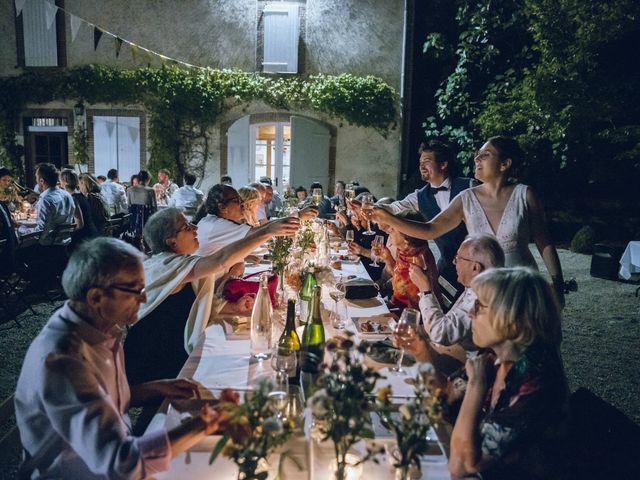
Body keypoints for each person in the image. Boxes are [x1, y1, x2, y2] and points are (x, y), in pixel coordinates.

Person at [15, 237, 221, 479]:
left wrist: (157, 388)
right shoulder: (63, 360)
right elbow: (121, 464)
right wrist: (206, 425)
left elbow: (105, 399)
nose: (143, 298)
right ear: (96, 297)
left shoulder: (101, 328)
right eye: (135, 290)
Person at [371, 136, 566, 305]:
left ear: (505, 164)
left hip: (521, 285)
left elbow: (544, 241)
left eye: (485, 155)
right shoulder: (466, 198)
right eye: (477, 155)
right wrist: (386, 217)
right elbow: (430, 229)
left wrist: (557, 283)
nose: (477, 159)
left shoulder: (525, 195)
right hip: (480, 283)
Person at [123, 208, 299, 384]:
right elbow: (221, 260)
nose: (195, 228)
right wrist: (268, 231)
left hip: (169, 348)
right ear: (171, 241)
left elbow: (191, 303)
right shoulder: (166, 265)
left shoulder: (174, 263)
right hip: (154, 359)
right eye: (186, 226)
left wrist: (233, 308)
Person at [448, 267, 567, 479]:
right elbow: (445, 394)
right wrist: (421, 352)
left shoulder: (536, 381)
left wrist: (476, 386)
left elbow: (463, 466)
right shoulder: (496, 356)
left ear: (511, 318)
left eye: (479, 306)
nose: (470, 313)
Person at [376, 140, 472, 296]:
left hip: (476, 265)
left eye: (427, 161)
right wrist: (370, 209)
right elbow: (394, 208)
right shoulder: (419, 196)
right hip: (446, 266)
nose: (421, 166)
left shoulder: (469, 187)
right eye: (420, 162)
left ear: (443, 164)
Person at [398, 234, 505, 364]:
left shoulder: (482, 298)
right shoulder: (473, 288)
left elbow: (440, 334)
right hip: (448, 354)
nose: (454, 263)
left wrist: (425, 291)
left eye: (458, 259)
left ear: (475, 267)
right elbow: (446, 322)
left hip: (464, 365)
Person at [60, 169, 96, 248]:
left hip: (83, 239)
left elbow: (80, 225)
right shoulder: (81, 196)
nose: (60, 183)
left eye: (61, 180)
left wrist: (65, 233)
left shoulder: (73, 199)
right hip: (91, 234)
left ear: (65, 182)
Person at [126, 170, 157, 243]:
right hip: (146, 218)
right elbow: (154, 207)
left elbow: (129, 205)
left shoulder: (129, 189)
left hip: (133, 218)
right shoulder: (150, 190)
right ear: (148, 179)